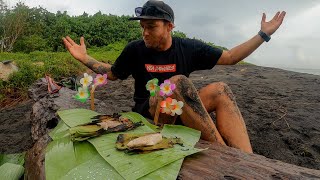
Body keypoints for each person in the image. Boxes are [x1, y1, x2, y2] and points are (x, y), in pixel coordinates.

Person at [63, 0, 286, 153]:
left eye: (151, 26)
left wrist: (263, 35)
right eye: (143, 27)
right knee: (177, 83)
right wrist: (85, 58)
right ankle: (227, 154)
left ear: (169, 26)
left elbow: (229, 57)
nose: (145, 33)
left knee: (220, 89)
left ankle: (247, 158)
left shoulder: (187, 48)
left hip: (183, 112)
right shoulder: (135, 50)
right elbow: (111, 74)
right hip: (153, 116)